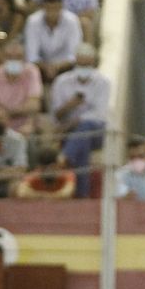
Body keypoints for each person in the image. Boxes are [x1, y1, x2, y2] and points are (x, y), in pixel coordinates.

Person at [50, 41, 108, 185]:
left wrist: (76, 121)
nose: (83, 68)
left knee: (86, 127)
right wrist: (69, 106)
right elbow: (55, 115)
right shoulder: (61, 82)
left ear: (93, 63)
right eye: (81, 65)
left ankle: (64, 158)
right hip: (67, 131)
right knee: (83, 141)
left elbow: (99, 114)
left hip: (97, 131)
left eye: (87, 65)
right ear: (75, 62)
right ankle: (82, 194)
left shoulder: (103, 82)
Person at [0, 38, 43, 132]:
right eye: (9, 57)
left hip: (25, 127)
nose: (14, 60)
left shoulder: (32, 71)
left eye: (18, 57)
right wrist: (20, 110)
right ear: (2, 57)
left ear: (24, 58)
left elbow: (34, 105)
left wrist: (5, 112)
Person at [24, 0, 82, 82]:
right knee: (29, 69)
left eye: (55, 9)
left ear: (61, 6)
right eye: (49, 9)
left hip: (65, 67)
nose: (52, 13)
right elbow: (31, 55)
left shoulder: (72, 21)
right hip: (40, 67)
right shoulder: (33, 21)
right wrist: (45, 67)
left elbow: (74, 54)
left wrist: (57, 66)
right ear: (43, 7)